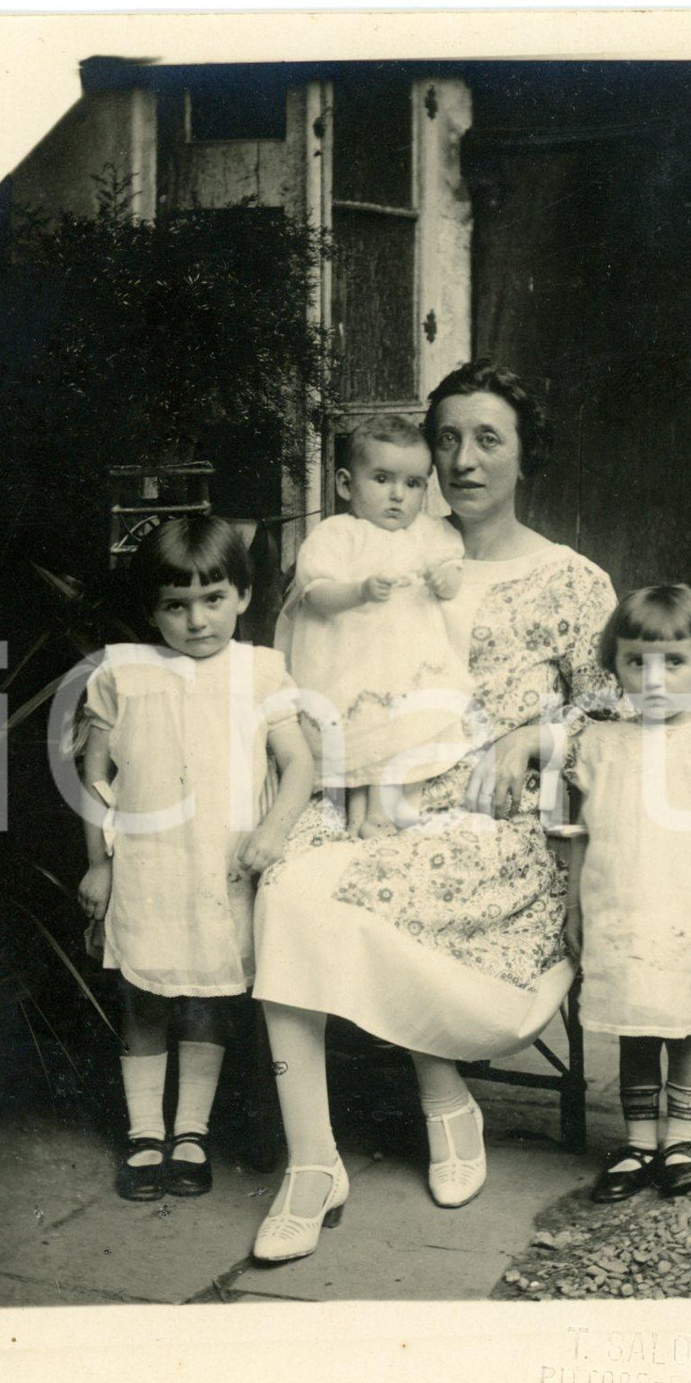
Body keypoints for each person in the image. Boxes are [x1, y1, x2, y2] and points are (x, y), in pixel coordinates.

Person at [250, 360, 622, 1263]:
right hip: (368, 790)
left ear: (526, 456)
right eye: (447, 438)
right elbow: (302, 643)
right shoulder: (383, 543)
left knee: (371, 885)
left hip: (496, 822)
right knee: (289, 886)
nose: (463, 460)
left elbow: (621, 705)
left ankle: (443, 1096)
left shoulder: (569, 579)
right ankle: (314, 1160)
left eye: (488, 438)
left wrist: (538, 731)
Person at [76, 516, 313, 1202]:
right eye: (175, 605)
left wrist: (272, 830)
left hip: (222, 865)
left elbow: (297, 766)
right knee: (144, 994)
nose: (196, 619)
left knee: (209, 995)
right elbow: (96, 777)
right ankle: (145, 1132)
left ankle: (190, 1132)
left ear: (243, 595)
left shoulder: (261, 669)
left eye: (214, 598)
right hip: (147, 864)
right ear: (152, 609)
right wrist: (100, 862)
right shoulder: (124, 671)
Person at [564, 584, 691, 1202]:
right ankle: (638, 1142)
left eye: (672, 663)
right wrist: (574, 907)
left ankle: (681, 1138)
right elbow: (582, 834)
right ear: (617, 666)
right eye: (637, 663)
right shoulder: (601, 744)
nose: (654, 680)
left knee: (687, 1029)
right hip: (623, 913)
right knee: (636, 1029)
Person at [277, 413, 469, 837]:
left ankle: (381, 813)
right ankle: (358, 812)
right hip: (347, 663)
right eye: (382, 479)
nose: (398, 496)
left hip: (402, 661)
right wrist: (359, 591)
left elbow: (452, 570)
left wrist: (445, 580)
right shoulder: (336, 534)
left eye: (414, 484)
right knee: (358, 736)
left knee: (398, 731)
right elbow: (315, 593)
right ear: (346, 485)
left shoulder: (426, 534)